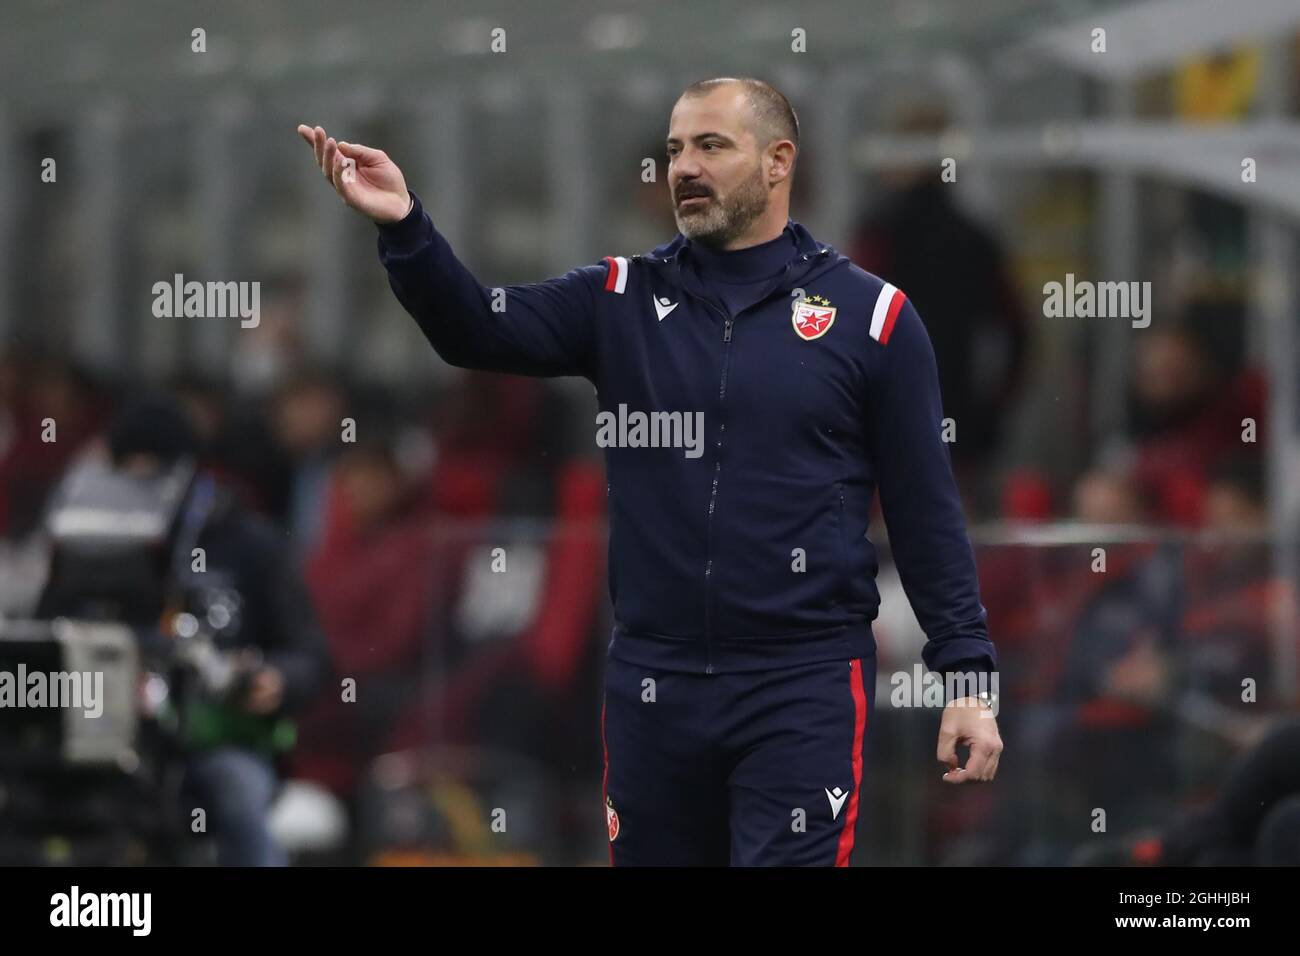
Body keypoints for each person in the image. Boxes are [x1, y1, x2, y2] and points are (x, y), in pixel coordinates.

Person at [297, 75, 1001, 867]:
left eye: (711, 146)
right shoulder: (620, 298)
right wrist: (407, 229)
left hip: (801, 683)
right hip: (654, 684)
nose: (683, 168)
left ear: (778, 163)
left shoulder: (874, 319)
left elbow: (925, 512)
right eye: (673, 150)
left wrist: (968, 680)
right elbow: (476, 328)